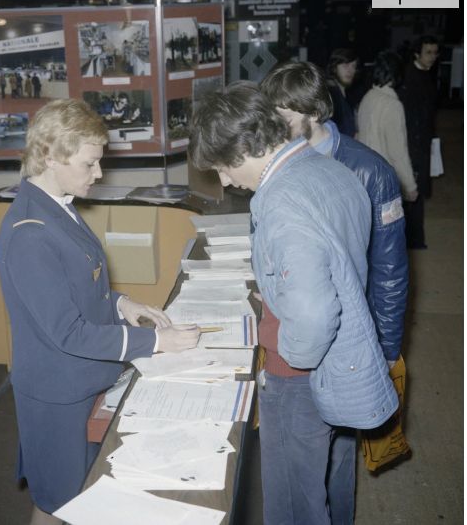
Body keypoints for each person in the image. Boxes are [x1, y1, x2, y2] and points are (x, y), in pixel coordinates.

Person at [188, 81, 397, 525]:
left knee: (292, 504)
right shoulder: (329, 167)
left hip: (299, 373)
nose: (224, 180)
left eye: (223, 167)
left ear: (246, 148)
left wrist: (289, 349)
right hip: (346, 359)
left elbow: (315, 316)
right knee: (329, 481)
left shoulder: (280, 199)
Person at [0, 99, 200, 525]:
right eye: (90, 164)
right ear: (50, 155)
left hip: (81, 379)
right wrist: (157, 342)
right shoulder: (29, 233)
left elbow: (78, 286)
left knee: (84, 492)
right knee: (58, 501)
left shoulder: (57, 205)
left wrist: (122, 302)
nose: (99, 174)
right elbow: (68, 332)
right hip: (59, 392)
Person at [260, 61, 408, 524]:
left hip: (348, 339)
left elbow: (390, 274)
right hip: (298, 336)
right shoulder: (278, 163)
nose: (273, 130)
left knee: (339, 457)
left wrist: (386, 350)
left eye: (281, 118)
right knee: (303, 461)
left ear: (312, 111)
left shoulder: (371, 171)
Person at [358, 50, 418, 203]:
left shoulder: (367, 97)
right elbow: (397, 151)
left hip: (365, 175)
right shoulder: (392, 105)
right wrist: (409, 185)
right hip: (384, 179)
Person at [398, 35, 439, 249]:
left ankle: (415, 239)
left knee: (418, 191)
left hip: (423, 142)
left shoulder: (427, 75)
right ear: (417, 54)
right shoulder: (409, 78)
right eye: (428, 52)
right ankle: (411, 240)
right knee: (411, 191)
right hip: (412, 144)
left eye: (435, 52)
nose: (433, 57)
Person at [326, 48, 358, 137]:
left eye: (353, 66)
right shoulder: (331, 95)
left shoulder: (344, 94)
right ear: (334, 67)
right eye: (345, 66)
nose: (350, 71)